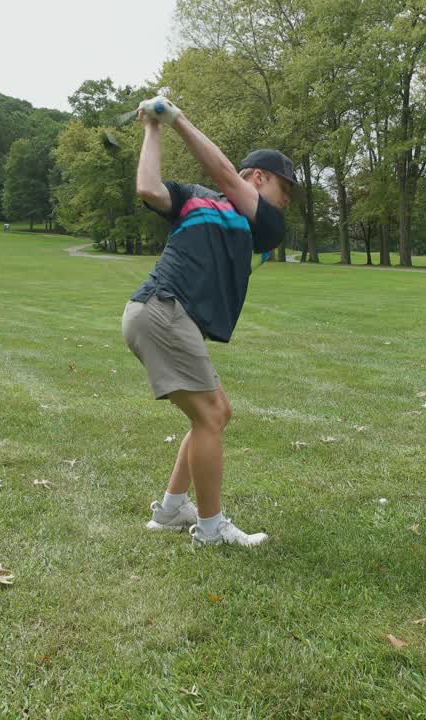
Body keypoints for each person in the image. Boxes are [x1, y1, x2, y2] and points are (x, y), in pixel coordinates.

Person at [121, 97, 294, 547]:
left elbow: (223, 175)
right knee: (211, 416)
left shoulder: (266, 225)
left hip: (167, 315)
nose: (286, 202)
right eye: (285, 190)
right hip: (161, 308)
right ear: (260, 177)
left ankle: (172, 509)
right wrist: (156, 127)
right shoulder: (194, 197)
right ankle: (212, 529)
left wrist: (173, 117)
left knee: (217, 413)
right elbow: (148, 187)